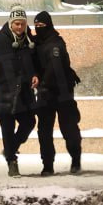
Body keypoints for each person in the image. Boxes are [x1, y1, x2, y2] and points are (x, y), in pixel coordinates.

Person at [0, 5, 40, 177]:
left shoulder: (29, 41)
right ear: (11, 23)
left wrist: (35, 74)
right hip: (3, 93)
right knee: (7, 129)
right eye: (17, 24)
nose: (20, 27)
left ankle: (10, 148)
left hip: (24, 94)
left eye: (22, 24)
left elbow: (34, 62)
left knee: (29, 123)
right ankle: (12, 163)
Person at [32, 10, 83, 175]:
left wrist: (44, 83)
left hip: (62, 93)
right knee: (44, 131)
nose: (39, 28)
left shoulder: (56, 43)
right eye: (36, 25)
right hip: (46, 94)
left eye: (42, 25)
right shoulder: (37, 43)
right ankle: (47, 165)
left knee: (68, 128)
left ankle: (75, 160)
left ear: (49, 25)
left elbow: (55, 68)